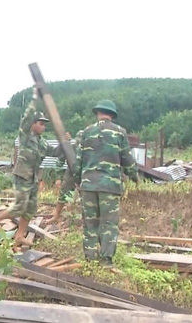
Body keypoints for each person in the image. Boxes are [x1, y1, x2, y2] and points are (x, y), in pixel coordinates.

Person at [0, 87, 70, 246]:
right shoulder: (25, 136)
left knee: (30, 209)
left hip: (33, 179)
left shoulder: (43, 142)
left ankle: (19, 235)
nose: (43, 127)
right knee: (19, 207)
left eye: (45, 125)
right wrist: (34, 99)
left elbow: (57, 152)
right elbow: (26, 118)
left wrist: (65, 142)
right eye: (40, 124)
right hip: (22, 176)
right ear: (32, 125)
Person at [73, 100, 139, 267]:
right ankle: (106, 260)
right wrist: (134, 176)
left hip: (88, 185)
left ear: (98, 113)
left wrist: (77, 180)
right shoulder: (120, 132)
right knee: (109, 223)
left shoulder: (86, 132)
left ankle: (89, 258)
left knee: (90, 222)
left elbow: (78, 160)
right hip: (110, 186)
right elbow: (126, 158)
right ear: (112, 115)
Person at [46, 130, 83, 225]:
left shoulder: (90, 150)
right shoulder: (70, 148)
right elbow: (59, 162)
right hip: (70, 174)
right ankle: (56, 216)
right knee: (63, 193)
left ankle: (85, 219)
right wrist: (58, 177)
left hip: (84, 175)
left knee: (87, 196)